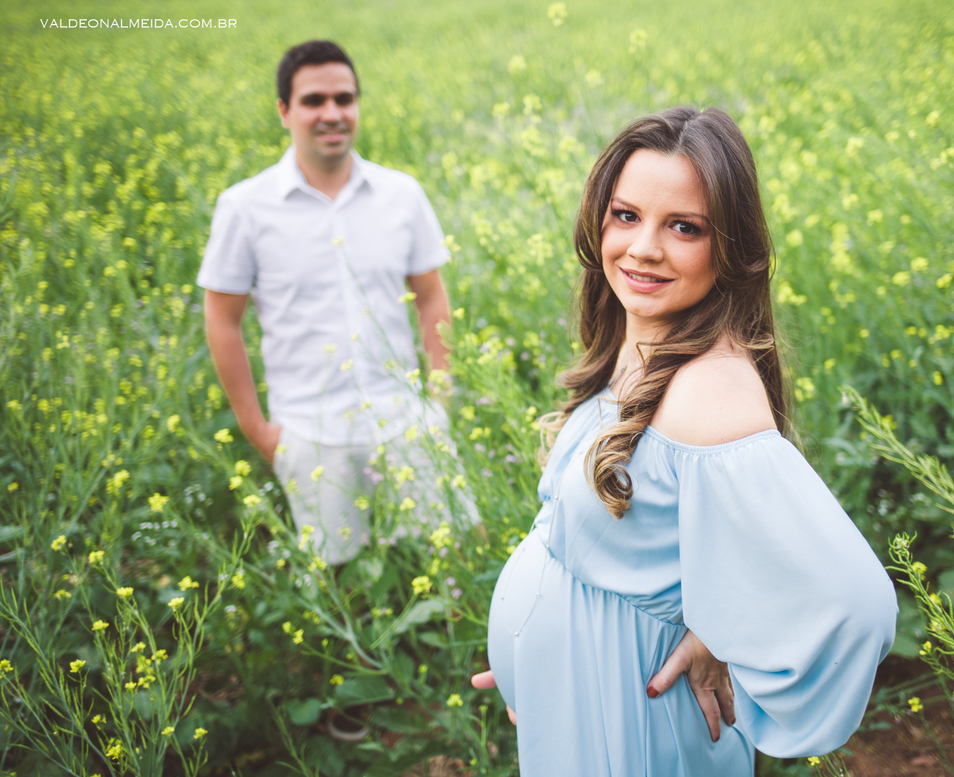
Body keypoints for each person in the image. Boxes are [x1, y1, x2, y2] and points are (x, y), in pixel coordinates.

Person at [471, 107, 897, 775]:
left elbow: (856, 604)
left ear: (729, 247)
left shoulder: (708, 392)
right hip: (584, 701)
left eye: (684, 227)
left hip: (635, 716)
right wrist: (542, 653)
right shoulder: (644, 342)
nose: (643, 247)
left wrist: (726, 633)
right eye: (626, 215)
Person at [198, 40, 469, 565]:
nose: (332, 113)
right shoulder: (245, 208)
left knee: (450, 558)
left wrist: (438, 402)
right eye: (314, 100)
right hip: (311, 432)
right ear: (284, 112)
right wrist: (259, 431)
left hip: (407, 420)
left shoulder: (401, 195)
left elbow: (432, 296)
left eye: (344, 99)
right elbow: (222, 320)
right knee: (337, 581)